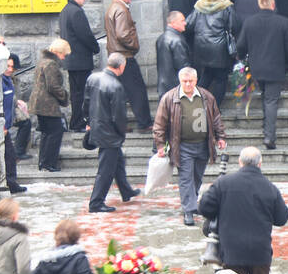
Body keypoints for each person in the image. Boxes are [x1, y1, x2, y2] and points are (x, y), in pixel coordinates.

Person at [196, 146, 288, 274]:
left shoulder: (225, 183)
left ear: (240, 162)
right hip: (260, 249)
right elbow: (282, 218)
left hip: (231, 249)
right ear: (260, 164)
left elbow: (204, 207)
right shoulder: (269, 187)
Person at [153, 66, 227, 226]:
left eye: (190, 81)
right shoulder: (170, 97)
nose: (187, 84)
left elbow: (216, 118)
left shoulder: (206, 96)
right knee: (185, 178)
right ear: (180, 81)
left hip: (203, 145)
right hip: (182, 146)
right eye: (184, 81)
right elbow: (160, 123)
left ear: (196, 80)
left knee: (197, 177)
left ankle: (191, 202)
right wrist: (160, 144)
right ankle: (188, 210)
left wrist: (220, 136)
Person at [235, 0, 288, 150]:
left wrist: (241, 58)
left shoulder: (250, 22)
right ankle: (269, 136)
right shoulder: (283, 22)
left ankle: (267, 128)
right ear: (273, 3)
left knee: (266, 97)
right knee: (271, 100)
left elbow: (241, 46)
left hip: (256, 68)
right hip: (275, 67)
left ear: (259, 3)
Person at [84, 54, 141, 213]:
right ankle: (96, 203)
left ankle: (126, 191)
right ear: (121, 67)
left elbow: (86, 102)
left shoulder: (93, 78)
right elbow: (119, 116)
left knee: (118, 162)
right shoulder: (116, 86)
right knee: (106, 170)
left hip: (97, 127)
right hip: (109, 133)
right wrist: (121, 132)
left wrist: (88, 122)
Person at [104, 0, 152, 129]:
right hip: (124, 56)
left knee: (120, 92)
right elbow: (123, 34)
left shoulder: (113, 8)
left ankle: (118, 123)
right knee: (137, 90)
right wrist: (134, 45)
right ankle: (144, 123)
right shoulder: (121, 9)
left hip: (115, 55)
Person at [185, 0, 236, 110]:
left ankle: (195, 102)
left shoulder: (199, 5)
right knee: (220, 78)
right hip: (219, 47)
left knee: (206, 74)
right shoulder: (226, 5)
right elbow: (233, 26)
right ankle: (214, 108)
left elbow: (189, 24)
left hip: (201, 46)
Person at [60, 0, 101, 132]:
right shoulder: (76, 12)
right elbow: (85, 35)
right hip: (80, 60)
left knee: (76, 93)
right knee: (82, 94)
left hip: (71, 61)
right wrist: (95, 47)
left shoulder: (65, 11)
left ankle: (75, 122)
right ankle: (79, 122)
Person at [29, 38, 71, 172]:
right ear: (59, 52)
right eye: (64, 54)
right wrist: (65, 96)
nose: (64, 58)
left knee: (47, 133)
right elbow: (53, 86)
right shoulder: (51, 64)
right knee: (55, 131)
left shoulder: (43, 61)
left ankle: (44, 162)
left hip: (39, 103)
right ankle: (49, 163)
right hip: (47, 104)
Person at [0, 55, 27, 194]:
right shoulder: (1, 82)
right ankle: (11, 184)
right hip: (2, 126)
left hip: (5, 126)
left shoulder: (8, 81)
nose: (10, 69)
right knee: (9, 156)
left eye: (12, 67)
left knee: (10, 156)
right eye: (7, 66)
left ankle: (11, 183)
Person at [155, 11, 192, 97]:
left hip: (164, 86)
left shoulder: (161, 38)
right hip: (176, 87)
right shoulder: (177, 41)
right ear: (173, 23)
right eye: (182, 21)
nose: (185, 23)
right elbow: (183, 66)